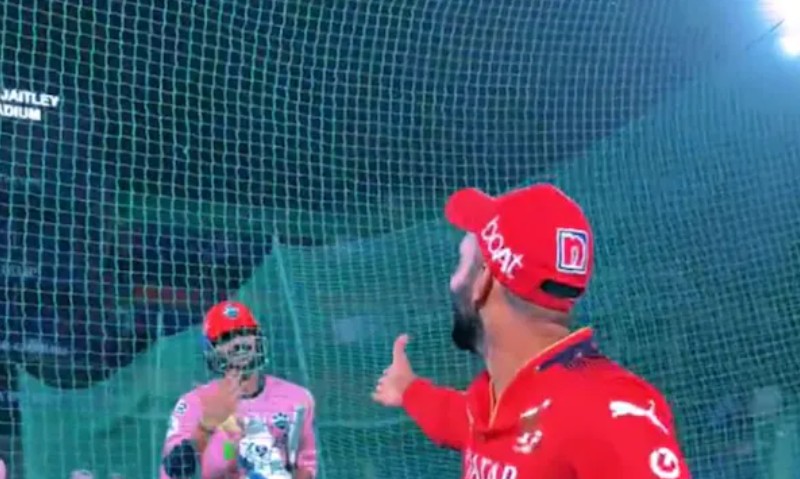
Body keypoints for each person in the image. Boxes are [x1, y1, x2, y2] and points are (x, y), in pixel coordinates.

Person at [373, 183, 692, 479]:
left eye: (461, 261)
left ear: (483, 282)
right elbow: (461, 420)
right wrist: (409, 389)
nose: (452, 280)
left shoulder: (608, 414)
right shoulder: (502, 400)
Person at [160, 301, 317, 479]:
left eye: (245, 333)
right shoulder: (192, 404)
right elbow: (172, 472)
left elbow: (306, 465)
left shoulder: (297, 398)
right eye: (227, 338)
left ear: (257, 339)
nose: (239, 343)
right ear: (212, 349)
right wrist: (206, 426)